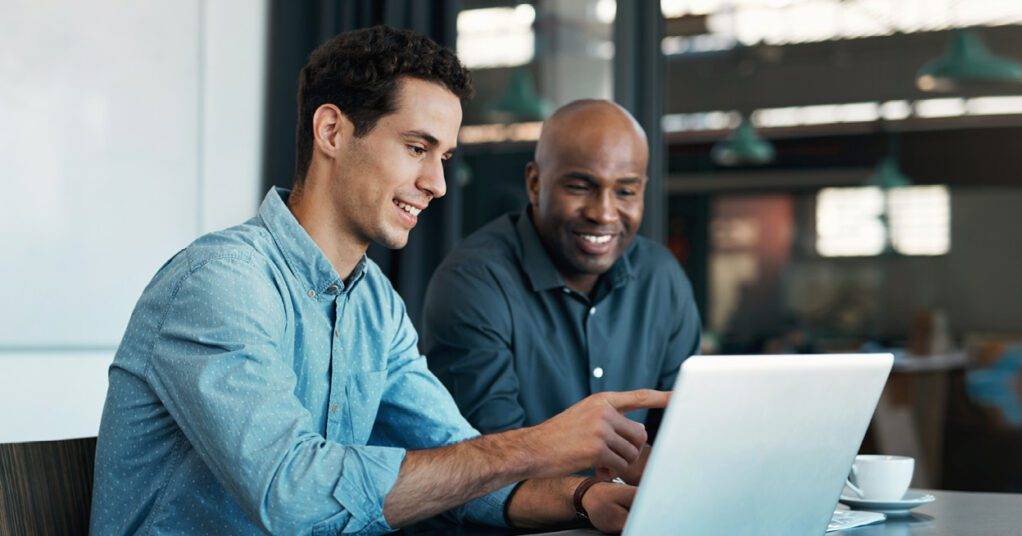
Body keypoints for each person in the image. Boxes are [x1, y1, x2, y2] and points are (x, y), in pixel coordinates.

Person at [90, 26, 666, 535]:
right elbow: (293, 495)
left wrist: (588, 498)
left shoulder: (374, 305)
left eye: (443, 156)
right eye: (417, 148)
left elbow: (460, 466)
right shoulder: (220, 284)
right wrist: (536, 446)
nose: (437, 183)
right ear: (333, 132)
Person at [422, 99, 701, 484]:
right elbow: (491, 463)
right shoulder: (474, 281)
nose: (603, 213)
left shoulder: (661, 278)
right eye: (581, 187)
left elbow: (684, 436)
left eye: (625, 192)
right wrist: (592, 500)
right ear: (535, 184)